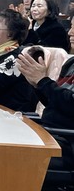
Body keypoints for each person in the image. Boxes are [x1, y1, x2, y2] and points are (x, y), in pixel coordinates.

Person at [17, 23, 74, 168]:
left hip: (67, 141)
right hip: (52, 133)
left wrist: (43, 81)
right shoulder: (71, 63)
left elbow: (71, 106)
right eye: (71, 27)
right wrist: (36, 84)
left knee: (7, 154)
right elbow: (56, 103)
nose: (70, 32)